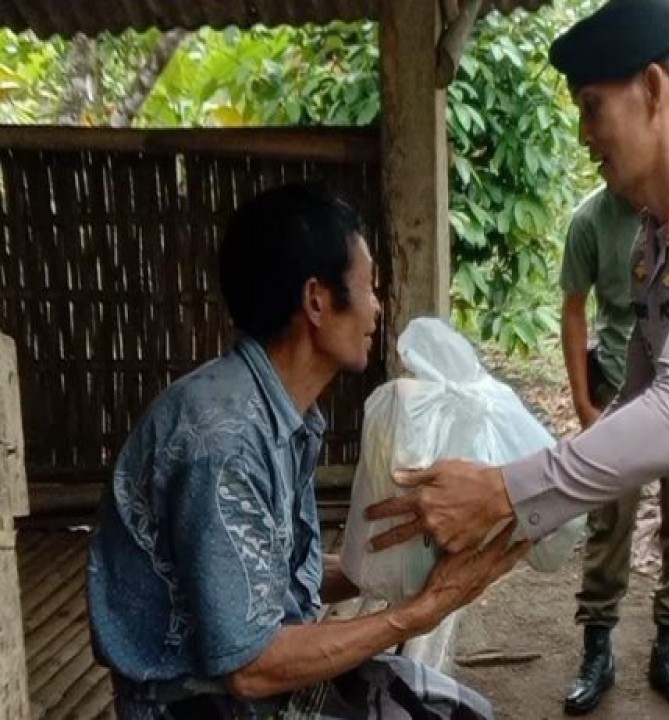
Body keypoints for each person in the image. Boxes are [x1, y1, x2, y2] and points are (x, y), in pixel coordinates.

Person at [364, 1, 669, 718]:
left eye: (594, 107)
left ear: (656, 91)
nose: (582, 135)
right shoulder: (658, 240)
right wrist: (505, 515)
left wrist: (505, 490)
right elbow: (633, 407)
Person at [86, 183, 525, 719]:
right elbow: (250, 667)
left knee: (465, 712)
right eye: (369, 288)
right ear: (317, 301)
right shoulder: (224, 442)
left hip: (244, 684)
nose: (377, 309)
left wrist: (390, 560)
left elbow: (261, 576)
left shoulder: (276, 412)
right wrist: (422, 609)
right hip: (197, 704)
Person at [558, 184, 669, 713]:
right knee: (608, 522)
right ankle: (597, 648)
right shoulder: (590, 218)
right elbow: (574, 309)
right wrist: (584, 405)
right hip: (618, 389)